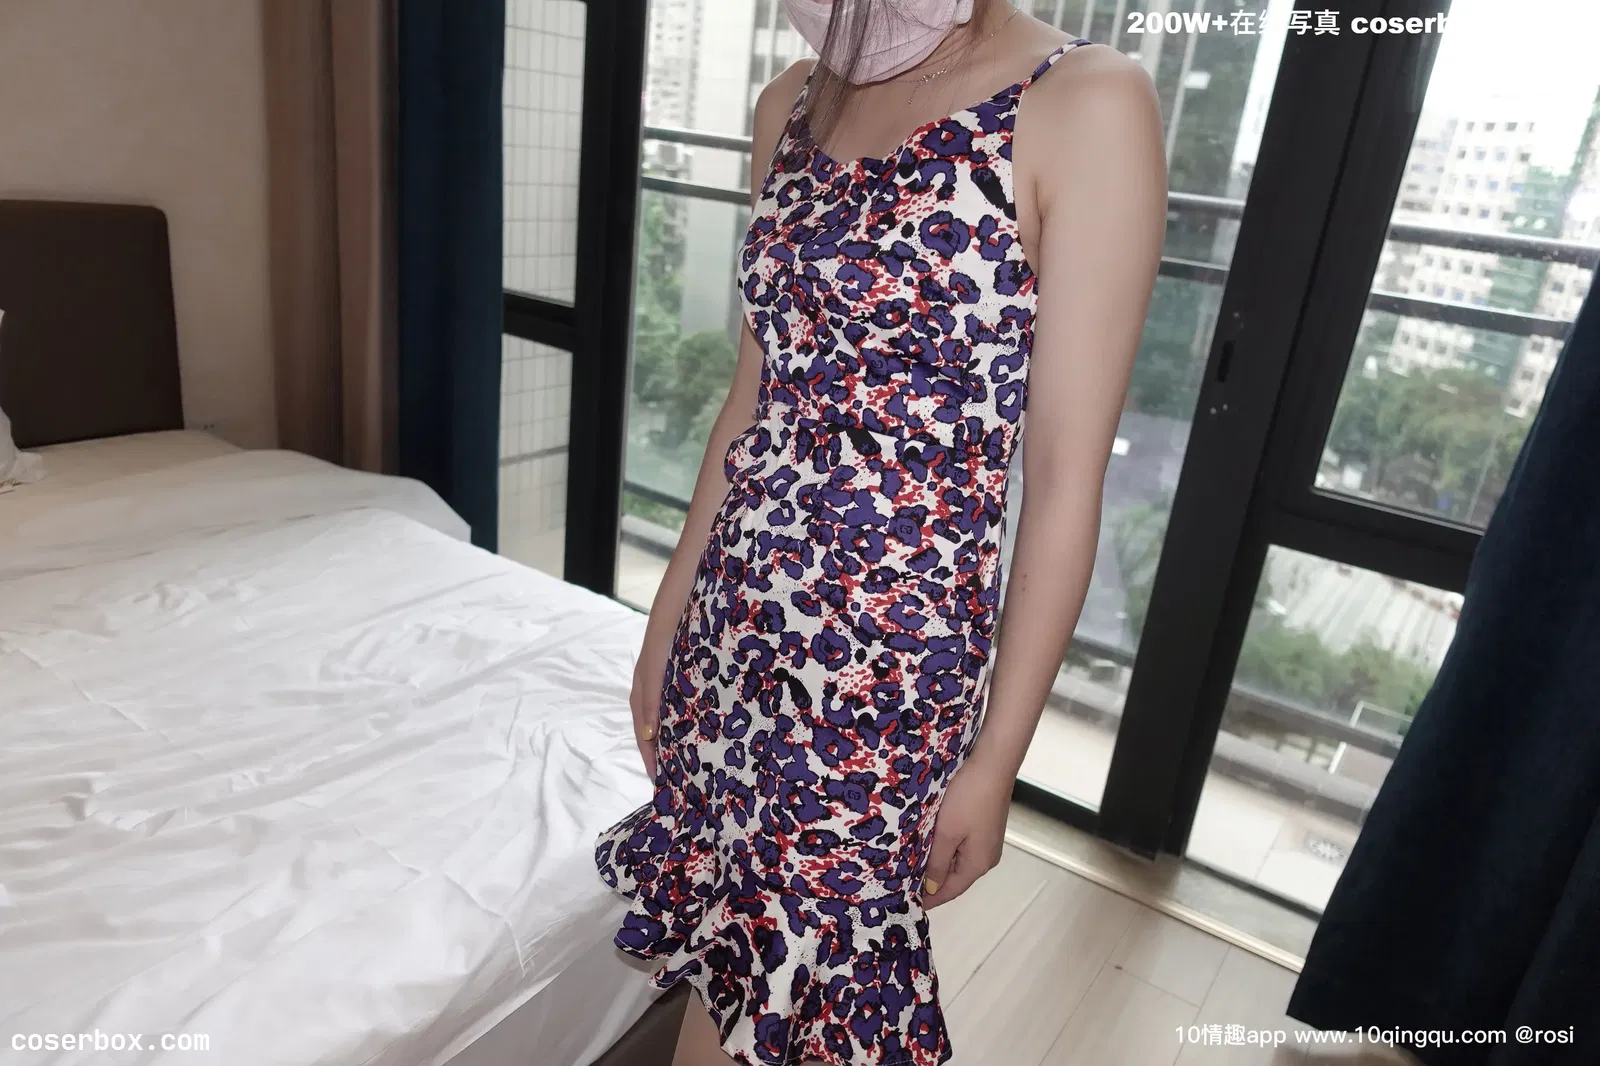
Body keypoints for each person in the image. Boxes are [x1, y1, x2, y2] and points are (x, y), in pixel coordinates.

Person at [595, 2, 1166, 1063]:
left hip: (880, 671)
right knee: (734, 956)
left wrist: (996, 758)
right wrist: (666, 622)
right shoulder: (792, 100)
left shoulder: (1081, 103)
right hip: (735, 620)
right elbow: (752, 396)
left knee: (819, 976)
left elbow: (1063, 481)